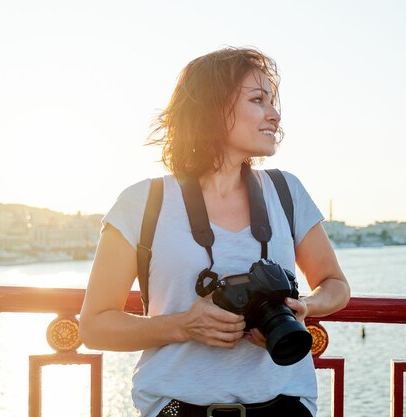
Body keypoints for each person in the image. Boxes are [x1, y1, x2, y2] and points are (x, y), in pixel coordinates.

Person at [79, 47, 350, 417]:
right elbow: (94, 327)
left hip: (284, 405)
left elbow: (335, 284)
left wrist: (304, 308)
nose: (275, 115)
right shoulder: (142, 202)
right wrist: (185, 326)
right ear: (213, 109)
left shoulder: (287, 192)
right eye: (258, 100)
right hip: (178, 408)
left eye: (273, 101)